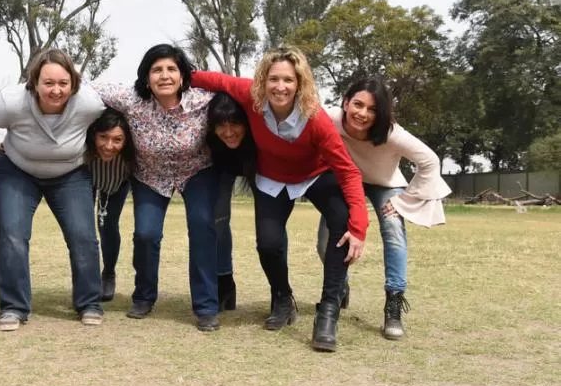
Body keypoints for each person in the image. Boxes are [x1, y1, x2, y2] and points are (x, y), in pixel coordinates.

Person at [191, 46, 368, 351]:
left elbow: (348, 172)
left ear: (299, 83)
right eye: (273, 79)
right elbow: (216, 81)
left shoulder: (316, 119)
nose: (280, 87)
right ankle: (283, 298)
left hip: (314, 174)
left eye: (288, 79)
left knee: (341, 221)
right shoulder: (252, 96)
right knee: (269, 244)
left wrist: (360, 226)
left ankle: (328, 310)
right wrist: (176, 76)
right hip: (272, 179)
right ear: (263, 80)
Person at [0, 49, 106, 331]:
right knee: (13, 234)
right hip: (18, 171)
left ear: (74, 83)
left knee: (83, 237)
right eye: (48, 83)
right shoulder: (10, 102)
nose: (56, 90)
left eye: (63, 83)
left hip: (70, 173)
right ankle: (14, 307)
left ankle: (89, 302)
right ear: (34, 82)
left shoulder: (90, 103)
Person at [95, 44, 221, 332]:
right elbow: (89, 88)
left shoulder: (202, 98)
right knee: (146, 234)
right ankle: (144, 296)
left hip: (196, 171)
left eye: (171, 69)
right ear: (146, 76)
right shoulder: (131, 100)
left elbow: (238, 90)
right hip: (150, 176)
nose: (164, 76)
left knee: (202, 226)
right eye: (156, 70)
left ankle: (206, 306)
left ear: (183, 74)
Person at [315, 77, 451, 340]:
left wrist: (404, 201)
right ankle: (340, 285)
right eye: (358, 104)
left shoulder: (391, 133)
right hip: (346, 181)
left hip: (385, 184)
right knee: (326, 241)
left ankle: (394, 304)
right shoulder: (329, 117)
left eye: (373, 109)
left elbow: (430, 162)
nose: (363, 113)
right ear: (345, 102)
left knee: (393, 231)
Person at [205, 92, 257, 312]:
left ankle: (280, 293)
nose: (228, 132)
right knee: (218, 221)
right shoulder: (209, 138)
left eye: (235, 124)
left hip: (258, 164)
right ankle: (225, 283)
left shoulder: (258, 133)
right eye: (221, 125)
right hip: (220, 169)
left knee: (270, 229)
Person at [85, 108, 135, 302]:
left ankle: (108, 273)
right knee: (83, 228)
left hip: (118, 184)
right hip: (87, 180)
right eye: (103, 137)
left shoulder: (131, 156)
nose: (108, 145)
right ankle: (86, 278)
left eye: (117, 139)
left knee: (107, 226)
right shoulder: (83, 149)